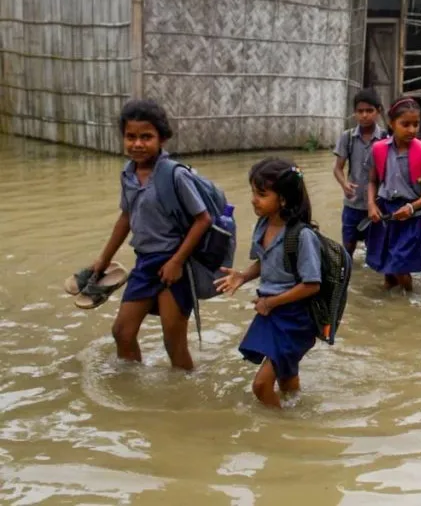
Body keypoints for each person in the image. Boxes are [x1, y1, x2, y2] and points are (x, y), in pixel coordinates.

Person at [90, 100, 213, 371]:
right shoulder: (128, 174)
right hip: (145, 263)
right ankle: (130, 387)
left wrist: (176, 262)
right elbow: (126, 218)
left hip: (175, 266)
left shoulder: (174, 175)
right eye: (130, 136)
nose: (137, 144)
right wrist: (103, 260)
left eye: (146, 137)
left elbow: (203, 219)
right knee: (122, 332)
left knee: (173, 343)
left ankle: (185, 391)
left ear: (162, 139)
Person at [215, 159, 321, 408]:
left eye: (261, 194)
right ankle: (297, 415)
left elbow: (312, 284)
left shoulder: (302, 236)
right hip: (273, 313)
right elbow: (267, 261)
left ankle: (281, 426)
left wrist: (270, 302)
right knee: (286, 380)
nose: (253, 200)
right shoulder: (263, 225)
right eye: (253, 192)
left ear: (283, 199)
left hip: (295, 318)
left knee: (261, 386)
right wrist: (243, 276)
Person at [366, 99, 421, 292]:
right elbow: (372, 181)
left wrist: (411, 207)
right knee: (387, 266)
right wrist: (371, 205)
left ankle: (409, 300)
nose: (412, 130)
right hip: (386, 212)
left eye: (416, 124)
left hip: (411, 216)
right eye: (405, 124)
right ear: (392, 124)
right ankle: (392, 300)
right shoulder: (378, 149)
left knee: (400, 265)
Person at [333, 90, 386, 255]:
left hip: (378, 205)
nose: (364, 115)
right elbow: (338, 168)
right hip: (352, 204)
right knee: (348, 247)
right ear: (354, 113)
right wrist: (344, 184)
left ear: (378, 111)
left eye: (369, 111)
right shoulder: (347, 137)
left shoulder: (386, 138)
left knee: (375, 251)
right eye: (360, 111)